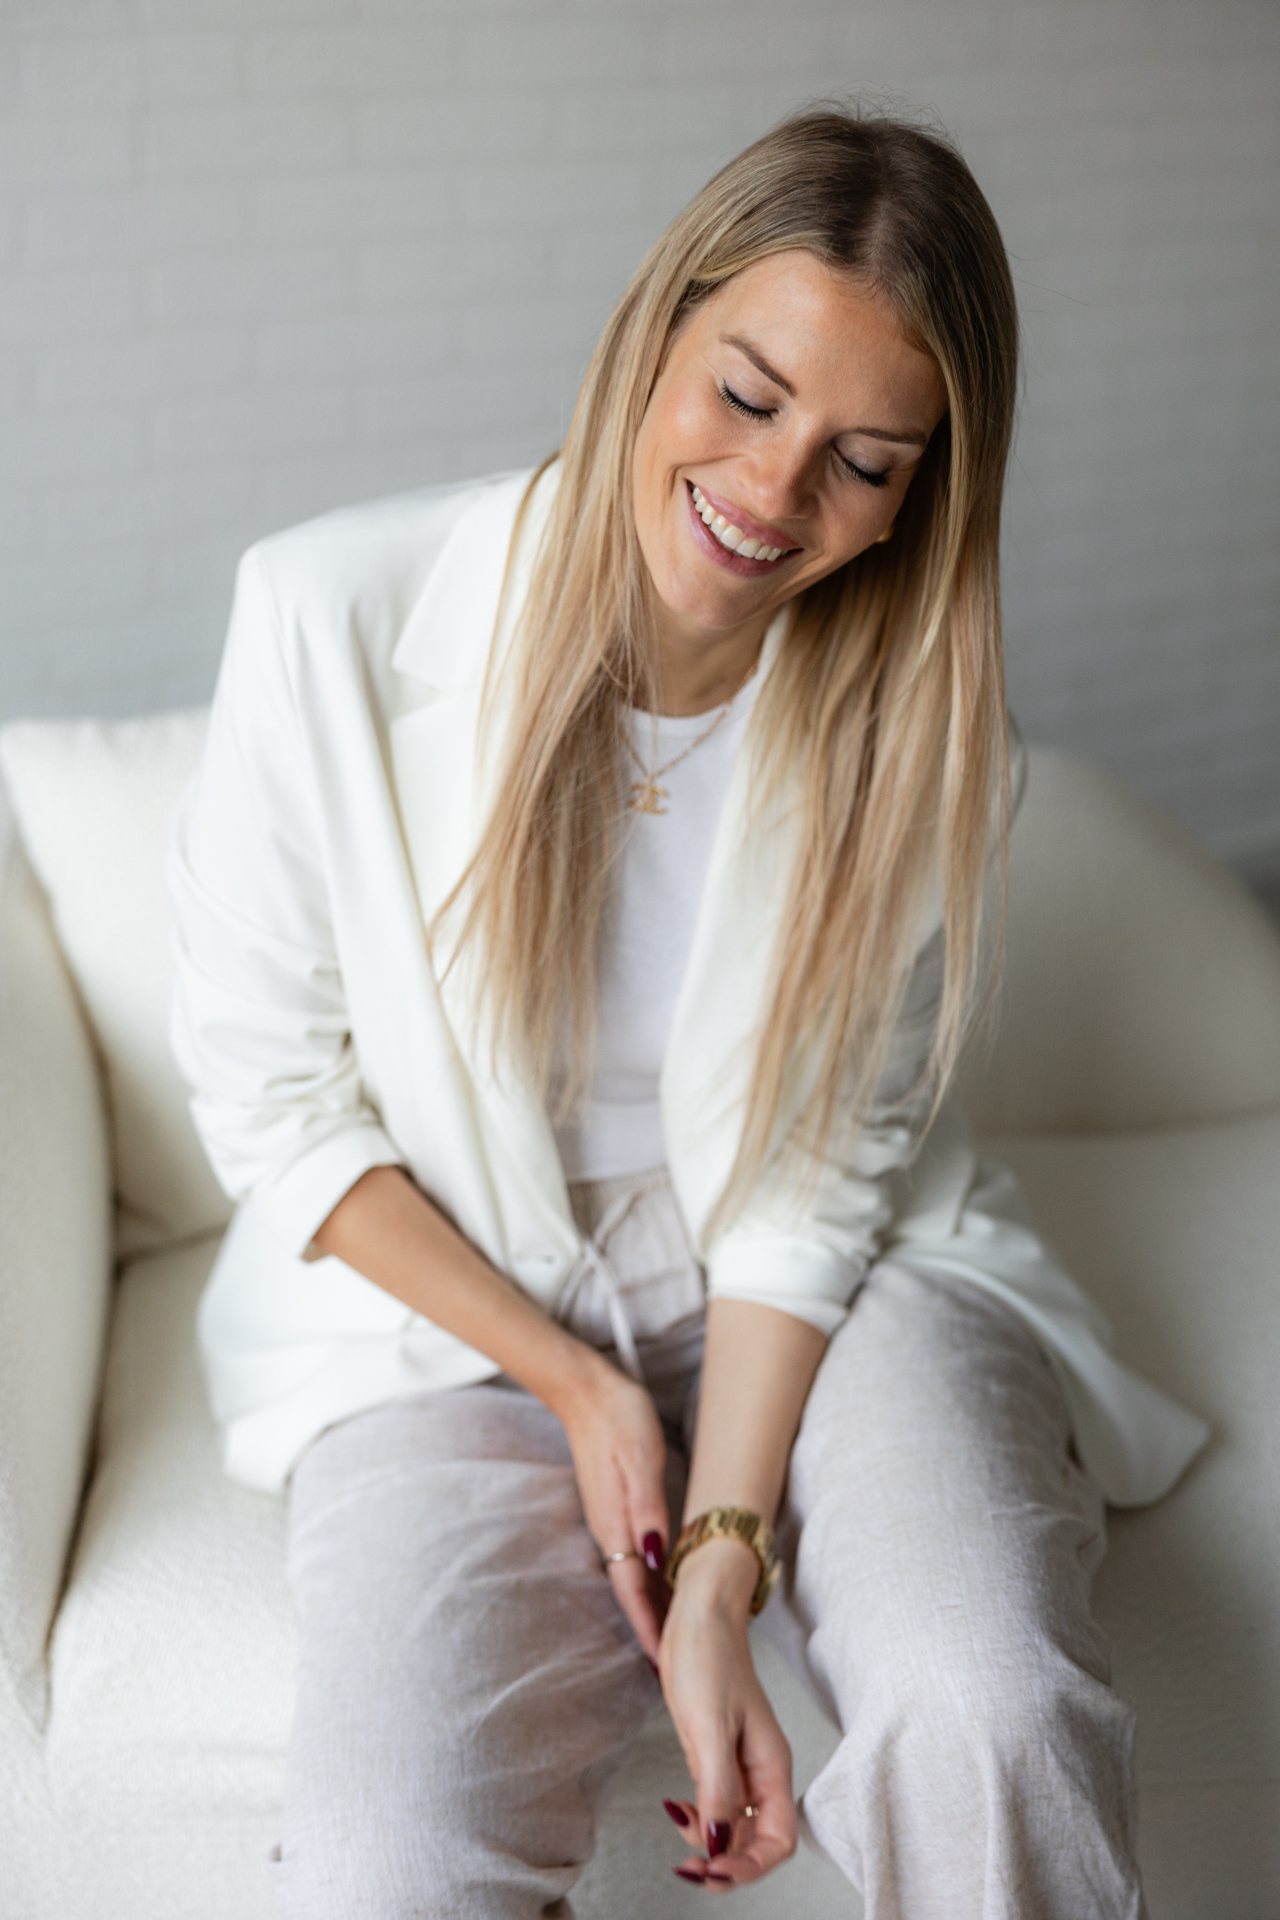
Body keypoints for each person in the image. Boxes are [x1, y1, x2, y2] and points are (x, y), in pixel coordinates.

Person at [169, 107, 1208, 1919]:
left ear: (918, 499)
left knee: (991, 1708)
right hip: (452, 1314)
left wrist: (723, 1558)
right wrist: (580, 1385)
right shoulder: (326, 611)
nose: (775, 494)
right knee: (384, 1859)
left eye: (864, 461)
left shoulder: (925, 735)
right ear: (660, 326)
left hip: (821, 1278)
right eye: (745, 394)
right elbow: (270, 1099)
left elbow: (823, 1174)